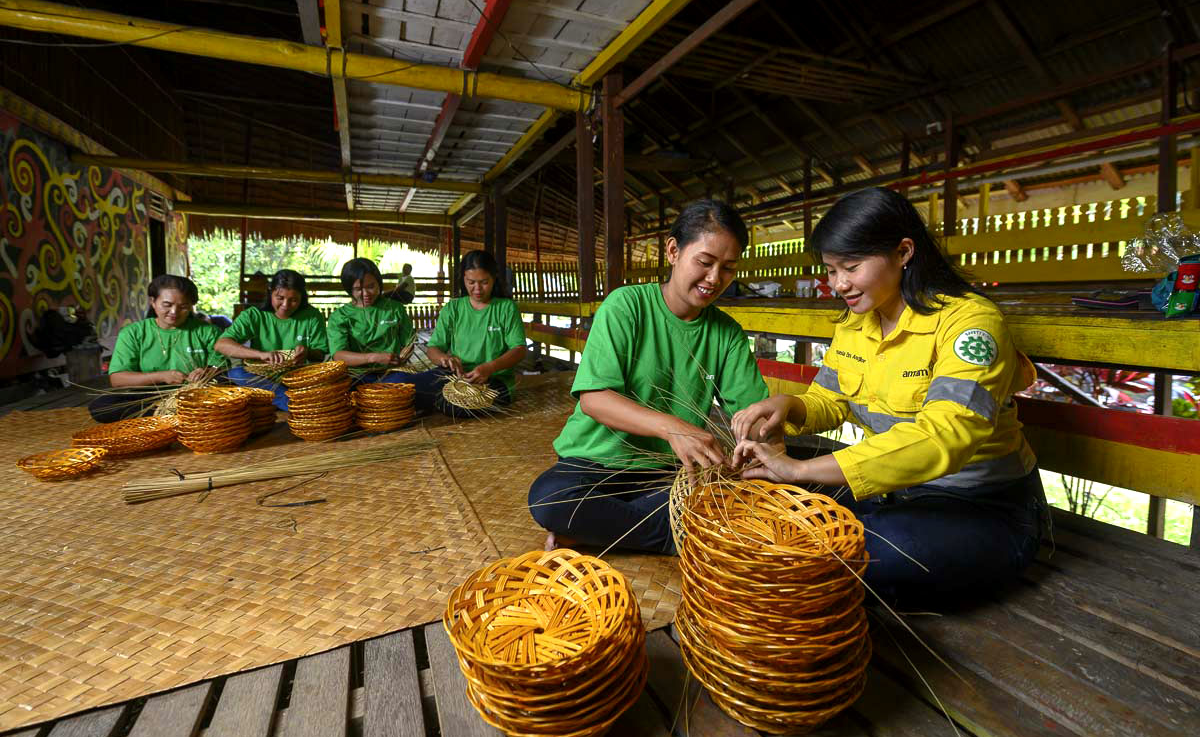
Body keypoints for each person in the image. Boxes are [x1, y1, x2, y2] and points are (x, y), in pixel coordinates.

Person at [730, 187, 1048, 604]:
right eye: (830, 270)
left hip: (982, 508)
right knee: (768, 506)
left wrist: (798, 471)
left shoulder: (970, 323)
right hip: (895, 494)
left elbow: (946, 436)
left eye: (852, 266)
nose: (839, 283)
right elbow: (831, 400)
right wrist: (790, 405)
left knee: (844, 550)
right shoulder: (855, 322)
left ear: (903, 252)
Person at [527, 199, 769, 554]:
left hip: (670, 475)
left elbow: (752, 413)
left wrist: (768, 432)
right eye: (704, 262)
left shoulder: (727, 334)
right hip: (596, 466)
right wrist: (672, 427)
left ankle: (602, 533)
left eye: (728, 268)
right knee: (551, 499)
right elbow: (595, 399)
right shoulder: (626, 306)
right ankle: (681, 533)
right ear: (673, 251)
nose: (715, 278)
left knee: (740, 497)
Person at [87, 274, 225, 422]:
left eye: (183, 307)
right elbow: (117, 379)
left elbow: (221, 366)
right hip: (150, 396)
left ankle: (170, 416)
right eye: (167, 305)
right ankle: (175, 414)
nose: (174, 312)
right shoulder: (133, 333)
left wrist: (208, 371)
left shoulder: (208, 331)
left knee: (231, 392)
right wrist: (162, 376)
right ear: (153, 302)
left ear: (191, 306)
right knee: (101, 406)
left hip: (196, 394)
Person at [415, 250, 526, 417]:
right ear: (463, 280)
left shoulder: (506, 308)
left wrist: (490, 367)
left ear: (494, 279)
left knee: (458, 405)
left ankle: (436, 404)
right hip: (456, 377)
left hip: (494, 380)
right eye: (471, 282)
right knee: (409, 389)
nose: (477, 289)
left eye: (484, 282)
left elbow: (519, 349)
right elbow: (433, 348)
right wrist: (445, 360)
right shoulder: (453, 308)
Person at [216, 269, 328, 410]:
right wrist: (260, 354)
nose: (286, 305)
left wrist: (307, 352)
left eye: (293, 300)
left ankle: (283, 399)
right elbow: (221, 344)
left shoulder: (312, 316)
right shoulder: (254, 315)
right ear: (270, 292)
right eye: (280, 298)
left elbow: (321, 354)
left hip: (298, 378)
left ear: (302, 297)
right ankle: (293, 403)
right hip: (264, 379)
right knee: (236, 374)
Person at [328, 257, 415, 382]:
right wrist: (373, 358)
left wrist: (401, 358)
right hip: (355, 375)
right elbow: (339, 355)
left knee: (409, 383)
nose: (366, 293)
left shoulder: (395, 309)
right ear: (349, 289)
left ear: (379, 283)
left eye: (371, 286)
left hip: (392, 373)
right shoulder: (340, 316)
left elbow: (409, 342)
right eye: (358, 289)